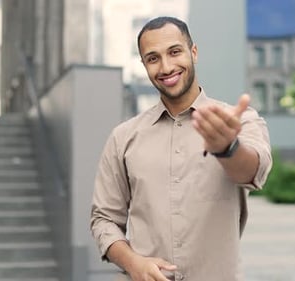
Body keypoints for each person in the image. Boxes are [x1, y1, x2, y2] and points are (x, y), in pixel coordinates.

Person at [90, 16, 272, 281]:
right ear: (144, 65)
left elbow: (254, 171)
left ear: (193, 52)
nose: (166, 67)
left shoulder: (238, 121)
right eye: (153, 58)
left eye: (174, 52)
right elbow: (103, 218)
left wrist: (227, 148)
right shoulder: (123, 137)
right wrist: (133, 263)